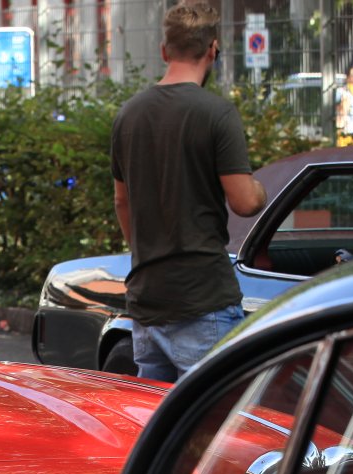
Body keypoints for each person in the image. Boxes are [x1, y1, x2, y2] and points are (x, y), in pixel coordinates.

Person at [110, 1, 267, 383]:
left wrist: (147, 254)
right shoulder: (216, 113)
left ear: (164, 51)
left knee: (158, 414)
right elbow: (245, 201)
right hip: (202, 297)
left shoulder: (129, 114)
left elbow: (121, 201)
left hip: (148, 297)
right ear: (213, 49)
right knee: (211, 415)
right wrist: (261, 189)